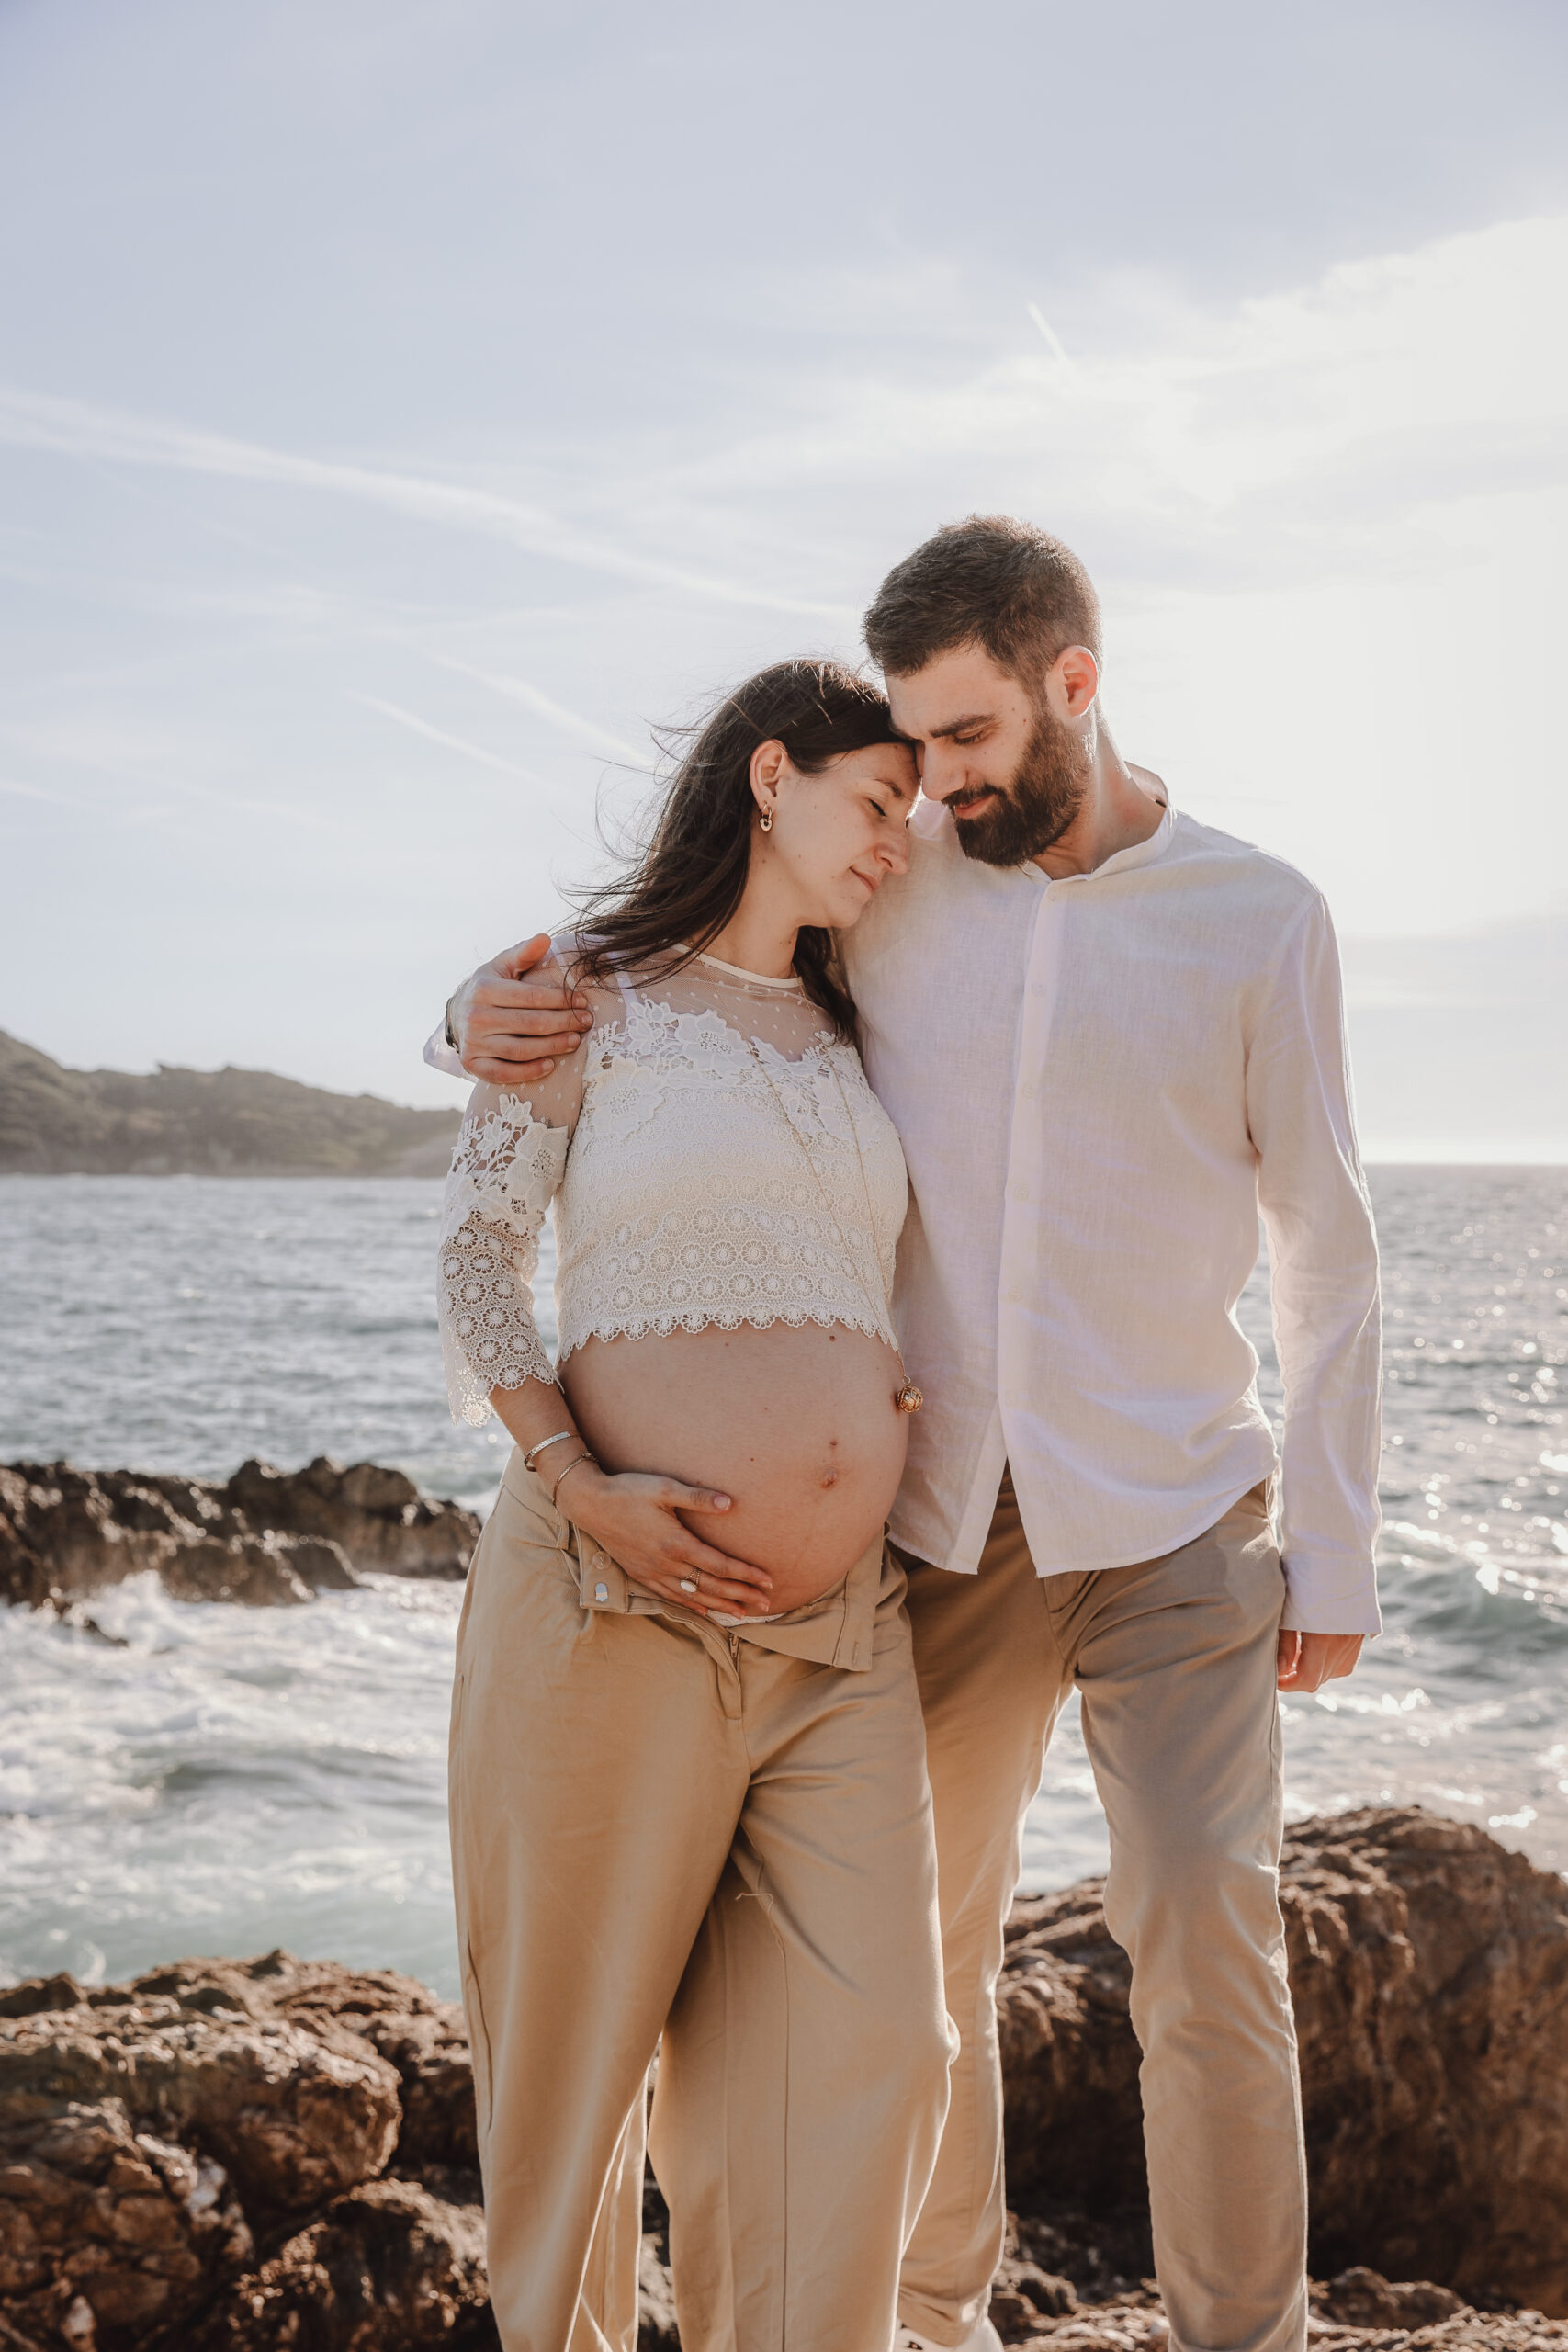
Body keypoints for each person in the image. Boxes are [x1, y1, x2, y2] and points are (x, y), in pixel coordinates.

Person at [436, 518, 1382, 2352]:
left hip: (1170, 1494)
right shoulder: (899, 884)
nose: (932, 790)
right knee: (910, 1966)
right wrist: (468, 1010)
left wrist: (1331, 1543)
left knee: (1202, 1915)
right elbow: (670, 972)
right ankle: (932, 2319)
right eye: (908, 755)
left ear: (1070, 687)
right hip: (943, 1526)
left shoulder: (1256, 917)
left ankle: (1240, 2337)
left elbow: (1322, 1243)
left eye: (959, 741)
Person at [435, 660, 954, 2352]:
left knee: (875, 2044)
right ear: (771, 776)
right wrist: (577, 1483)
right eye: (877, 803)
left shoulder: (868, 1025)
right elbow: (479, 1262)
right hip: (611, 1601)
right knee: (575, 2081)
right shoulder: (582, 991)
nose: (899, 841)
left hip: (841, 1629)